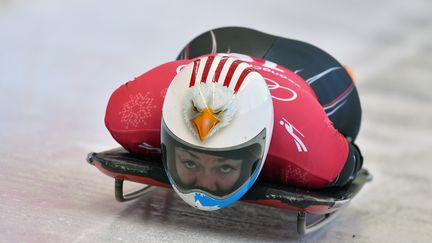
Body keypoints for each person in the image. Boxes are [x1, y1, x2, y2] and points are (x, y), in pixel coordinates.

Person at [104, 27, 363, 210]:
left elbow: (350, 161)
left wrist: (338, 147)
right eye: (189, 162)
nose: (204, 184)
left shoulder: (315, 157)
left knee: (345, 123)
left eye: (225, 167)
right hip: (219, 46)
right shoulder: (130, 114)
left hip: (320, 76)